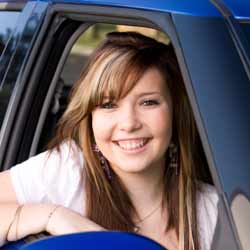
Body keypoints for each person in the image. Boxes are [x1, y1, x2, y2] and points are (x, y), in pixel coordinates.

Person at [0, 32, 218, 250]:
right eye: (108, 105)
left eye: (148, 102)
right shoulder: (67, 172)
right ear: (90, 116)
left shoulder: (212, 210)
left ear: (175, 112)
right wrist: (51, 216)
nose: (129, 123)